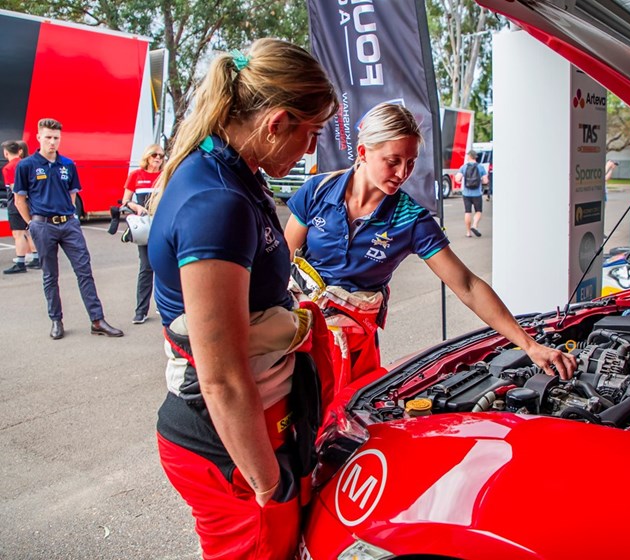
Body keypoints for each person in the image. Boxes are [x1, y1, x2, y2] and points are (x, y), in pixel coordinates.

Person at [146, 39, 338, 559]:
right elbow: (222, 378)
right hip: (229, 446)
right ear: (276, 122)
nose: (311, 151)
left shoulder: (233, 170)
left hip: (254, 429)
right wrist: (268, 484)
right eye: (311, 134)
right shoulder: (218, 201)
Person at [285, 102, 577, 390]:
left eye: (410, 162)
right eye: (393, 160)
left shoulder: (412, 219)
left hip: (353, 353)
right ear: (363, 152)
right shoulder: (317, 190)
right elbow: (282, 262)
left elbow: (468, 286)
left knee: (339, 429)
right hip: (297, 336)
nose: (403, 173)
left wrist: (529, 345)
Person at [13, 119, 123, 340]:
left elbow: (72, 196)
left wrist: (69, 217)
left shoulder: (68, 165)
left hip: (69, 225)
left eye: (56, 138)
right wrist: (32, 224)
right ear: (38, 138)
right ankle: (56, 320)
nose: (52, 142)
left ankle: (97, 320)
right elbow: (19, 200)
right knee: (50, 275)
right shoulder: (26, 166)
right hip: (42, 226)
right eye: (48, 137)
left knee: (84, 272)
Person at [120, 144, 163, 324]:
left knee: (165, 266)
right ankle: (141, 311)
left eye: (161, 155)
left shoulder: (165, 175)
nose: (158, 158)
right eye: (155, 155)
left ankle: (163, 305)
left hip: (162, 224)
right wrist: (136, 207)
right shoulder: (136, 175)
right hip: (145, 226)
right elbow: (125, 201)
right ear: (147, 156)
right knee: (146, 267)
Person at [3, 140, 40, 274]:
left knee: (18, 233)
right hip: (31, 202)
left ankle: (20, 262)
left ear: (6, 152)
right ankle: (37, 258)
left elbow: (15, 189)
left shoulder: (8, 168)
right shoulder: (28, 163)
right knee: (30, 230)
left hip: (16, 204)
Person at [455, 149, 489, 237]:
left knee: (467, 212)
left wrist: (461, 179)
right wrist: (480, 181)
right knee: (478, 211)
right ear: (475, 157)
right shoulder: (480, 167)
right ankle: (475, 225)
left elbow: (458, 179)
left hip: (466, 193)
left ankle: (468, 232)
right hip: (477, 193)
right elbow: (485, 181)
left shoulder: (464, 167)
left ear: (469, 156)